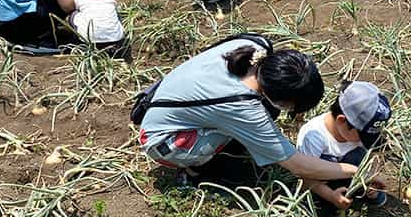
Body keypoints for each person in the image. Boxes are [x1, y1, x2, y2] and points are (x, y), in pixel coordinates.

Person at [138, 36, 370, 188]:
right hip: (162, 139)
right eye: (293, 107)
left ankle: (225, 146)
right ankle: (196, 170)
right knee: (249, 135)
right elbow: (298, 166)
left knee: (255, 125)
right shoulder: (242, 105)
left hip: (166, 101)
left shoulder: (258, 47)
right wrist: (355, 171)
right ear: (283, 98)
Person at [296, 81, 391, 209]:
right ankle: (326, 206)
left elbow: (374, 156)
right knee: (325, 164)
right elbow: (305, 177)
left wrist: (371, 179)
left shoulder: (357, 129)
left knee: (359, 156)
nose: (362, 140)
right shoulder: (313, 136)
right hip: (321, 182)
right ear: (342, 121)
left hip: (354, 176)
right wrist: (330, 195)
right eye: (362, 135)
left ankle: (364, 195)